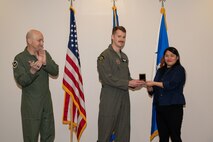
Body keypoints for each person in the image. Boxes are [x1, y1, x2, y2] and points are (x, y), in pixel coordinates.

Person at [97, 26, 145, 142]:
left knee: (123, 134)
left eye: (124, 37)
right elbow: (106, 78)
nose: (121, 39)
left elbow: (126, 77)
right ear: (112, 37)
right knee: (105, 134)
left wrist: (135, 83)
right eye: (119, 36)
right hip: (110, 99)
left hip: (124, 99)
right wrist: (128, 82)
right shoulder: (104, 56)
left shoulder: (124, 57)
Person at [12, 29, 59, 142]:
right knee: (31, 137)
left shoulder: (44, 54)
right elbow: (21, 81)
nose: (42, 43)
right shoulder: (19, 58)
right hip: (31, 106)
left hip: (46, 104)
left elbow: (55, 71)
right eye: (39, 40)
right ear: (29, 41)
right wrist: (32, 71)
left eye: (43, 40)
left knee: (48, 136)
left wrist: (45, 63)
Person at [146, 47, 186, 142]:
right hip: (160, 108)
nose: (169, 58)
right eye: (167, 56)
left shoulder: (179, 70)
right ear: (164, 57)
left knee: (175, 136)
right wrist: (148, 86)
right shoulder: (160, 71)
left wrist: (154, 83)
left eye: (172, 56)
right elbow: (153, 90)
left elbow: (170, 85)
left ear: (177, 58)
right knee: (163, 137)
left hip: (173, 108)